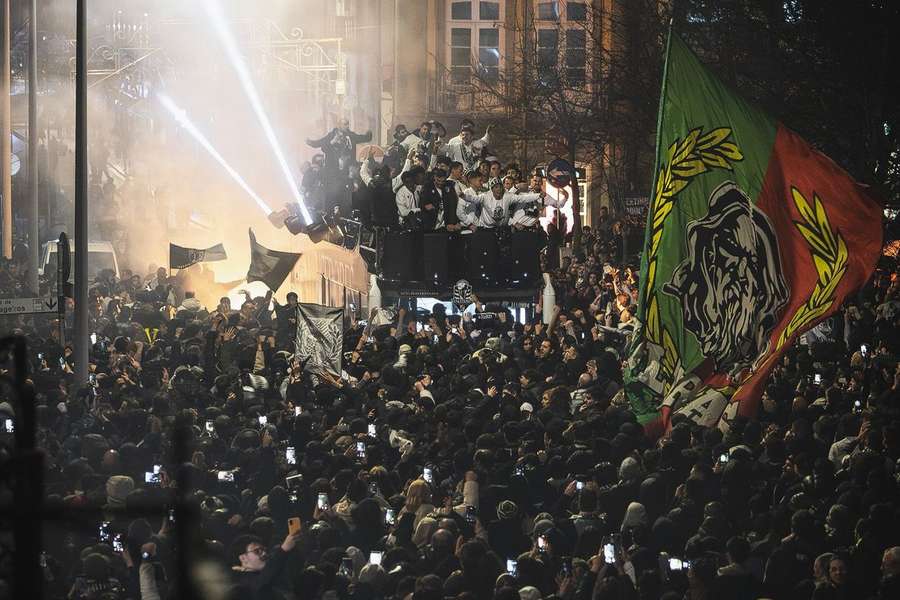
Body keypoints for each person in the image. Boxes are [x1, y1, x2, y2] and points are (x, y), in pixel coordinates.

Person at [231, 531, 300, 600]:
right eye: (257, 551)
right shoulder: (240, 581)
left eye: (264, 549)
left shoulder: (268, 574)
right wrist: (283, 550)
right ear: (243, 558)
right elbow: (259, 584)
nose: (264, 553)